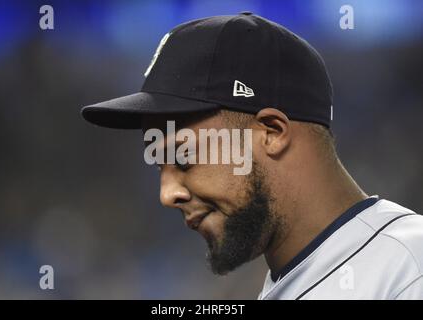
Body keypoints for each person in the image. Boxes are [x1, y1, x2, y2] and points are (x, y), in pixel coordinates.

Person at [81, 13, 423, 299]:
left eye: (184, 156)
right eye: (160, 165)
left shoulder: (408, 269)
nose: (167, 194)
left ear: (272, 132)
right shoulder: (294, 279)